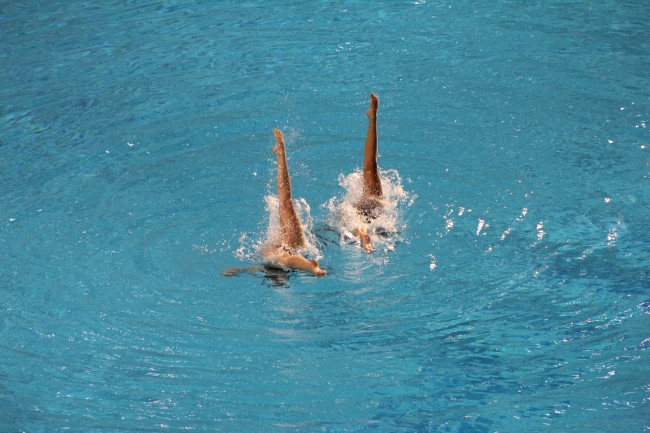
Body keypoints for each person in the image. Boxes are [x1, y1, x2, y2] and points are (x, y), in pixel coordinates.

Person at [262, 128, 326, 276]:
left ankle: (281, 154)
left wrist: (237, 271)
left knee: (286, 202)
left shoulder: (268, 263)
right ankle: (281, 155)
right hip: (295, 248)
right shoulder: (273, 261)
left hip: (296, 244)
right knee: (285, 202)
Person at [353, 93, 384, 252]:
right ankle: (373, 118)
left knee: (356, 223)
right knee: (370, 167)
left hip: (361, 211)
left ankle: (364, 237)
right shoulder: (372, 200)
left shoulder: (350, 208)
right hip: (376, 207)